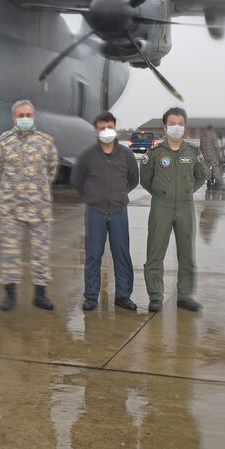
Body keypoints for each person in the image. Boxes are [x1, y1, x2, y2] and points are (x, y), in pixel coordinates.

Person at [0, 99, 59, 311]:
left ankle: (40, 294)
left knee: (41, 252)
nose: (25, 119)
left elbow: (52, 170)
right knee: (10, 253)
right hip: (12, 208)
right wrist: (11, 189)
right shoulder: (3, 142)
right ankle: (10, 295)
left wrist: (37, 189)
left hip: (39, 207)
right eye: (21, 115)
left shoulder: (46, 142)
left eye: (28, 115)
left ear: (33, 116)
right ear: (13, 118)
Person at [140, 107, 208, 312]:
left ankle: (185, 295)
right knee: (155, 252)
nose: (176, 127)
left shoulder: (193, 152)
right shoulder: (154, 153)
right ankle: (155, 296)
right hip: (161, 206)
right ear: (165, 127)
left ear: (185, 127)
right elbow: (145, 180)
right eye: (172, 124)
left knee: (187, 252)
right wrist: (163, 193)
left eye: (180, 123)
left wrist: (187, 191)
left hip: (186, 206)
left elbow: (201, 175)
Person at [70, 111, 139, 311]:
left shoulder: (126, 155)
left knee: (121, 253)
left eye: (110, 127)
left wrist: (118, 194)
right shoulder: (87, 155)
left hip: (118, 211)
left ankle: (123, 295)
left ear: (115, 128)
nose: (106, 131)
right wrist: (92, 196)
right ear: (96, 131)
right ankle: (91, 295)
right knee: (93, 254)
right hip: (95, 212)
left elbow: (133, 179)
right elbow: (76, 181)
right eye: (102, 128)